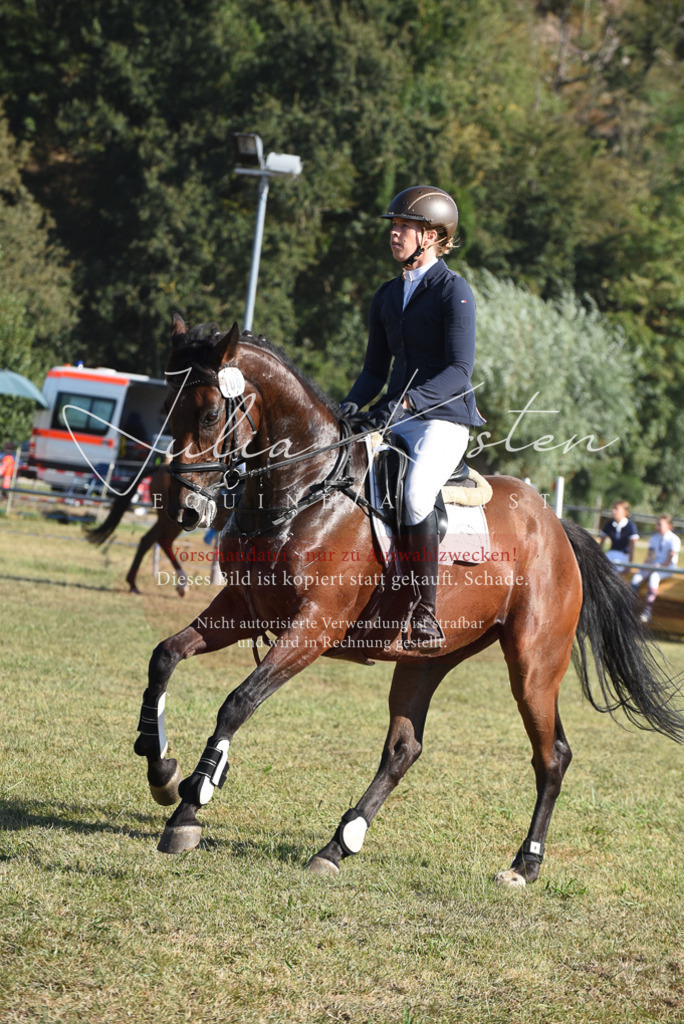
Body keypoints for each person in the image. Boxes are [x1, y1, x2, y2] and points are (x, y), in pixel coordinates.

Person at [340, 185, 485, 647]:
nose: (395, 233)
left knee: (417, 497)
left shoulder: (452, 291)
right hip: (394, 417)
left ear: (433, 235)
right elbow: (372, 372)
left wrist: (405, 404)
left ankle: (425, 611)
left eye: (404, 226)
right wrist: (344, 409)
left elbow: (460, 371)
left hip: (442, 419)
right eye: (395, 226)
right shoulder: (386, 296)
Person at [630, 514, 681, 623]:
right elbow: (649, 556)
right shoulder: (654, 538)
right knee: (636, 578)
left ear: (669, 526)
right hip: (654, 565)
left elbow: (669, 561)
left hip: (667, 568)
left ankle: (647, 611)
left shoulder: (674, 539)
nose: (657, 527)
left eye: (660, 524)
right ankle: (629, 608)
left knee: (654, 577)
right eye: (657, 524)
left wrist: (658, 566)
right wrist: (644, 567)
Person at [599, 500, 639, 573]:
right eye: (613, 508)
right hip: (611, 552)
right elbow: (601, 543)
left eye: (616, 509)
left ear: (625, 511)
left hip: (624, 555)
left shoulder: (630, 526)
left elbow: (632, 547)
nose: (613, 511)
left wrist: (629, 565)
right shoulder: (609, 524)